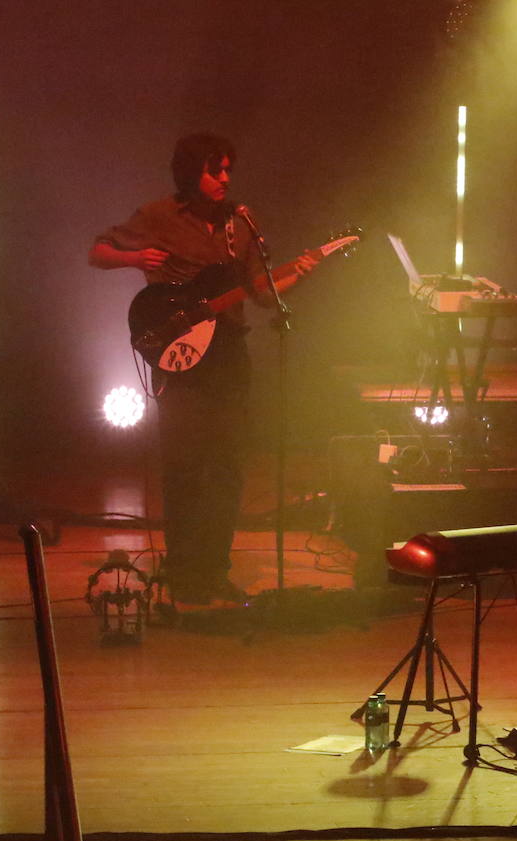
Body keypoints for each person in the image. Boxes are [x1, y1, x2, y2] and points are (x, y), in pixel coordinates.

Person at [89, 133, 316, 604]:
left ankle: (214, 568)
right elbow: (98, 252)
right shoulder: (158, 216)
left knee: (228, 465)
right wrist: (134, 258)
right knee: (186, 465)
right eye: (216, 170)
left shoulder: (241, 222)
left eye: (229, 169)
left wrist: (300, 271)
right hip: (180, 357)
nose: (225, 179)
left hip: (230, 352)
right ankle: (184, 568)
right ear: (192, 173)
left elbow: (260, 292)